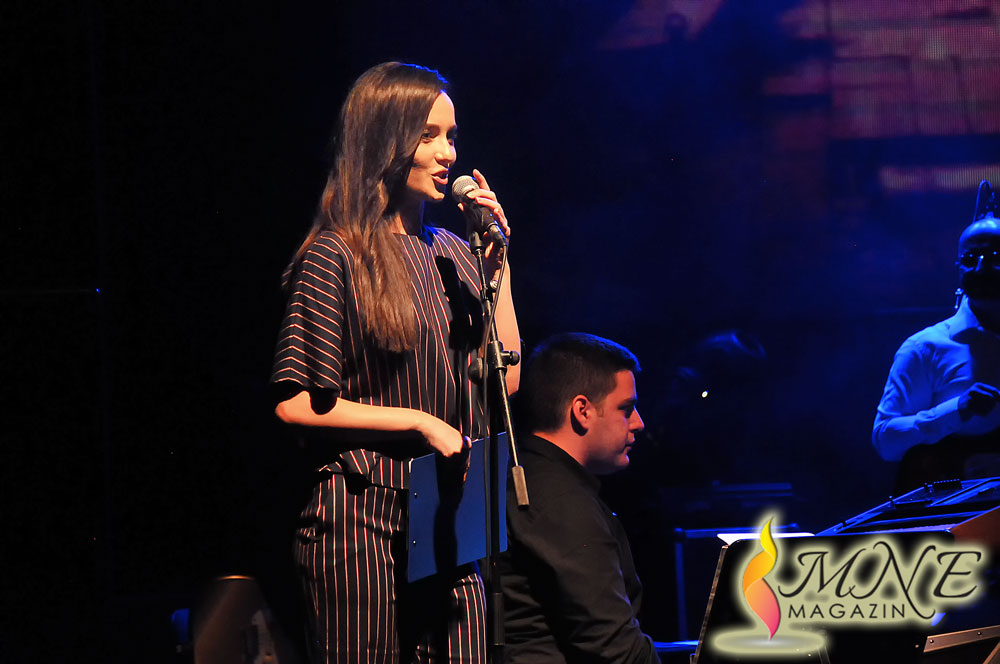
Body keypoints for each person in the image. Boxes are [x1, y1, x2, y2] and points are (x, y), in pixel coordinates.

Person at [270, 62, 520, 663]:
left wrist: (499, 269)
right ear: (384, 141)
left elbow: (506, 382)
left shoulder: (454, 255)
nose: (447, 154)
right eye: (428, 136)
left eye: (451, 136)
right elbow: (295, 402)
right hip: (361, 514)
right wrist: (418, 421)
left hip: (447, 511)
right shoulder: (336, 254)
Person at [499, 333, 660, 664]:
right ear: (582, 410)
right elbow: (614, 649)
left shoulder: (528, 474)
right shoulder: (561, 500)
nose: (639, 423)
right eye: (626, 409)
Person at [873, 180, 1000, 492]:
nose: (981, 268)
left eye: (996, 257)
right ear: (957, 266)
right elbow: (886, 440)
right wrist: (955, 410)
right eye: (970, 259)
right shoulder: (926, 347)